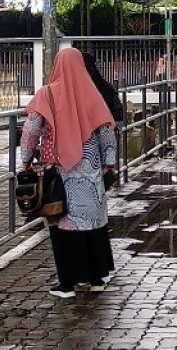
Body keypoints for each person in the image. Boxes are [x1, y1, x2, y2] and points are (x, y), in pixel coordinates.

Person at [20, 48, 117, 298]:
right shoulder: (92, 94)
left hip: (59, 171)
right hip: (91, 170)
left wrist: (26, 159)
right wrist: (109, 163)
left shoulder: (46, 94)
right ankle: (97, 279)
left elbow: (31, 129)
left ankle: (67, 285)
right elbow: (106, 131)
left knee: (63, 222)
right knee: (93, 223)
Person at [82, 50, 125, 191]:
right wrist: (117, 128)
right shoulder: (105, 85)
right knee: (106, 162)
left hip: (87, 137)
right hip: (108, 130)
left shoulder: (79, 88)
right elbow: (118, 108)